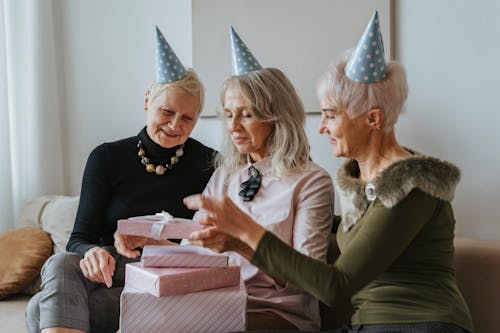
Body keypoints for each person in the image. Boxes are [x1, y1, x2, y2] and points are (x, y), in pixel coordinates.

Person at [185, 13, 473, 333]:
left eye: (330, 115)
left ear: (373, 119)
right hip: (367, 325)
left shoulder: (410, 186)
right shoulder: (365, 184)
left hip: (419, 324)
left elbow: (334, 287)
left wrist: (245, 232)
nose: (321, 127)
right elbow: (367, 235)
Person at [26, 27, 216, 333]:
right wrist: (91, 252)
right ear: (147, 101)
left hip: (170, 276)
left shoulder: (209, 163)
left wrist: (158, 242)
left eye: (187, 118)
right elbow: (78, 238)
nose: (174, 125)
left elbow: (209, 248)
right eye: (167, 111)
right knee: (62, 263)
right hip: (109, 270)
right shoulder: (107, 157)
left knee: (40, 308)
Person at [187, 27, 334, 331]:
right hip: (217, 305)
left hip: (279, 314)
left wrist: (242, 245)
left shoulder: (311, 182)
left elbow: (308, 279)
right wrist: (152, 242)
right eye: (228, 114)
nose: (233, 126)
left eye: (247, 114)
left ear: (276, 117)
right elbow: (198, 251)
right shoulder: (225, 175)